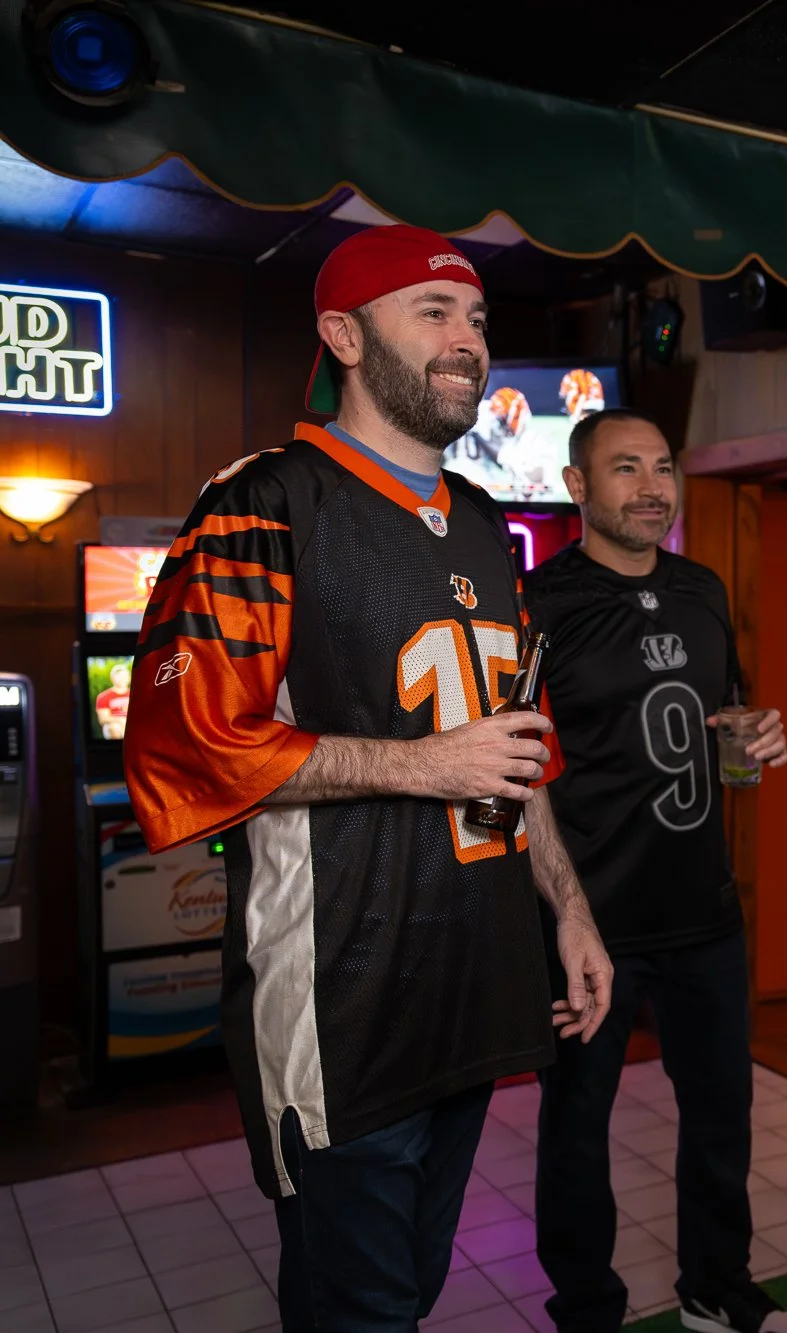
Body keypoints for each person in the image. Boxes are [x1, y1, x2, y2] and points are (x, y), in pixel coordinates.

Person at [123, 224, 614, 1332]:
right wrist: (421, 764)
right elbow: (195, 742)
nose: (467, 342)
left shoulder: (489, 525)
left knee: (410, 1292)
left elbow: (520, 745)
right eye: (431, 313)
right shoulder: (265, 503)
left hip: (478, 987)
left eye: (478, 318)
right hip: (344, 998)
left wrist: (570, 910)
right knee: (363, 1310)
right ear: (344, 335)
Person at [525, 407, 787, 1333]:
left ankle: (716, 1288)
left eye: (662, 467)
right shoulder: (537, 603)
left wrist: (754, 735)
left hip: (703, 911)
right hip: (589, 922)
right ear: (578, 488)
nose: (651, 486)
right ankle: (587, 1311)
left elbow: (725, 720)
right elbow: (513, 769)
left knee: (723, 1118)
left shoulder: (703, 588)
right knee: (577, 1133)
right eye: (625, 468)